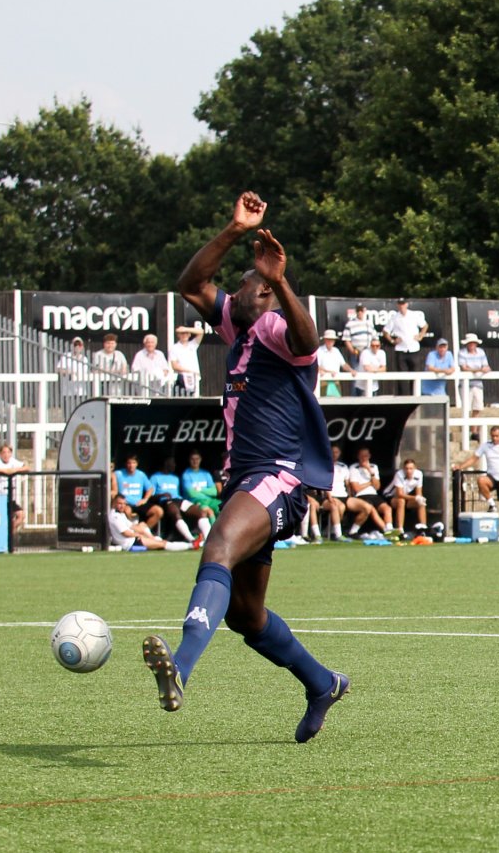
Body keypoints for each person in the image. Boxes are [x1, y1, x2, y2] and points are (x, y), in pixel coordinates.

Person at [141, 190, 347, 743]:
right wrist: (233, 230)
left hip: (278, 476)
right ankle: (322, 683)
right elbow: (191, 284)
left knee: (218, 549)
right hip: (247, 480)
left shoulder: (277, 329)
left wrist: (279, 280)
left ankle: (181, 666)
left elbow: (307, 340)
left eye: (246, 285)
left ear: (268, 295)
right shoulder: (240, 330)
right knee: (246, 617)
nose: (233, 292)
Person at [457, 426, 499, 538]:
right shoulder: (486, 445)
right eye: (493, 436)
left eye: (497, 436)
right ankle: (492, 504)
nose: (494, 438)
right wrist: (460, 466)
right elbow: (474, 458)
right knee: (481, 480)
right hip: (492, 477)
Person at [149, 456, 204, 544]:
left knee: (201, 512)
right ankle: (191, 540)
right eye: (172, 463)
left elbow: (179, 494)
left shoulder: (175, 478)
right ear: (166, 463)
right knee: (175, 512)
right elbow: (151, 496)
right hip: (165, 501)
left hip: (178, 500)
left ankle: (207, 539)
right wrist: (162, 495)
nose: (174, 465)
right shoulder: (155, 477)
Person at [348, 446, 395, 534]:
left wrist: (370, 471)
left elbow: (377, 486)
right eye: (362, 456)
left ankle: (390, 528)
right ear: (358, 456)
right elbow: (356, 488)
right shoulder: (354, 468)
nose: (364, 458)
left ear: (369, 456)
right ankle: (386, 531)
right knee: (372, 509)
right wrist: (370, 483)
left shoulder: (374, 467)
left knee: (387, 508)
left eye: (366, 456)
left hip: (373, 494)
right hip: (361, 495)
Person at [108, 494, 179, 551]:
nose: (122, 506)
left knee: (143, 525)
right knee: (162, 544)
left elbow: (132, 526)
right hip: (130, 543)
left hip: (133, 539)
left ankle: (154, 538)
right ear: (114, 503)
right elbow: (126, 533)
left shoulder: (121, 514)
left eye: (124, 504)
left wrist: (146, 533)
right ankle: (185, 546)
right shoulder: (115, 517)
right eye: (120, 503)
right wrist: (140, 535)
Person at [113, 453, 163, 531]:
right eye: (129, 463)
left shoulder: (141, 474)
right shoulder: (118, 474)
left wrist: (145, 499)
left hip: (139, 503)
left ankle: (144, 531)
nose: (131, 465)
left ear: (137, 464)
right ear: (126, 464)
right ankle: (133, 532)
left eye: (133, 463)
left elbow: (150, 489)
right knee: (126, 511)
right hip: (126, 504)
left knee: (158, 511)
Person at [385, 457, 428, 533]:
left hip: (405, 497)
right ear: (404, 469)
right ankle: (400, 530)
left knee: (421, 502)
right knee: (401, 501)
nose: (408, 471)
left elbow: (419, 492)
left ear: (415, 468)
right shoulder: (399, 474)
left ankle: (423, 528)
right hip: (390, 496)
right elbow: (399, 494)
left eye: (411, 468)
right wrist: (415, 498)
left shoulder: (419, 474)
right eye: (406, 468)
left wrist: (419, 498)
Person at [385, 299, 428, 374]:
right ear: (398, 305)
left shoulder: (414, 315)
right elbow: (385, 331)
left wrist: (420, 336)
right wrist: (392, 341)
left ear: (406, 305)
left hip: (414, 349)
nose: (402, 306)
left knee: (415, 374)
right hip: (400, 349)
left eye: (403, 304)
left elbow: (425, 325)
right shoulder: (394, 317)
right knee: (402, 375)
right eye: (400, 304)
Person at [457, 333, 490, 415]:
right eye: (470, 342)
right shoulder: (462, 352)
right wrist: (480, 369)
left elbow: (486, 367)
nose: (472, 344)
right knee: (466, 409)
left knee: (477, 408)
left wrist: (472, 369)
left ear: (476, 343)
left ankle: (474, 424)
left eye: (473, 342)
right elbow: (464, 368)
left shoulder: (481, 352)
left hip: (478, 384)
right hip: (465, 385)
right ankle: (466, 424)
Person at [316, 329, 353, 397]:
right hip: (324, 381)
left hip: (336, 381)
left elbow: (343, 364)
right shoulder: (319, 351)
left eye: (332, 340)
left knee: (337, 401)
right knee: (323, 400)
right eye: (329, 339)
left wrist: (351, 370)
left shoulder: (336, 351)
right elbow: (316, 366)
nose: (330, 342)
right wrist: (329, 372)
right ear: (325, 340)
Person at [55, 336, 91, 400]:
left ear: (82, 347)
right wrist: (69, 372)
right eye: (75, 345)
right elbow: (58, 369)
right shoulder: (66, 356)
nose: (77, 347)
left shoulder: (85, 359)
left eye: (79, 345)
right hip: (68, 391)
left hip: (81, 391)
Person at [170, 325, 202, 396]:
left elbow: (201, 332)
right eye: (182, 333)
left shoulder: (193, 344)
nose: (184, 335)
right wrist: (190, 371)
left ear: (189, 334)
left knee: (195, 398)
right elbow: (174, 366)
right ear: (178, 335)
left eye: (186, 333)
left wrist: (186, 329)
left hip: (195, 378)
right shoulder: (174, 348)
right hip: (182, 378)